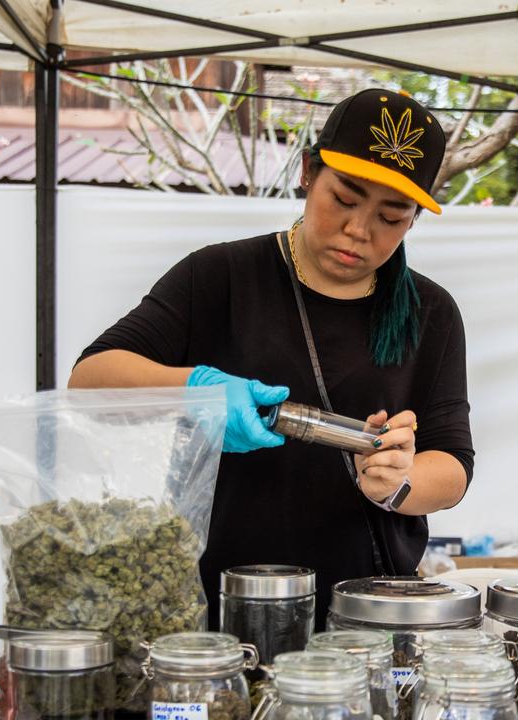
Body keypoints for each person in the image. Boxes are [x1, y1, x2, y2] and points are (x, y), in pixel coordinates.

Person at [69, 89, 474, 627]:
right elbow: (89, 380)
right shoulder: (219, 277)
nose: (359, 230)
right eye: (346, 199)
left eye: (391, 216)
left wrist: (402, 482)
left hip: (365, 613)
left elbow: (453, 464)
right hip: (216, 602)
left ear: (413, 220)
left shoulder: (431, 313)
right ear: (308, 171)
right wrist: (197, 391)